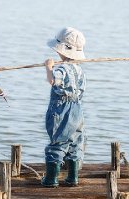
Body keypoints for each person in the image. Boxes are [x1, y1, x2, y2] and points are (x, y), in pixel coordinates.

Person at [42, 27, 86, 187]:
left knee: (58, 140)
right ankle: (72, 177)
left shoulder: (60, 69)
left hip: (62, 109)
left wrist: (49, 68)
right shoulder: (79, 70)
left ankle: (51, 179)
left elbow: (53, 81)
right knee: (75, 140)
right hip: (77, 109)